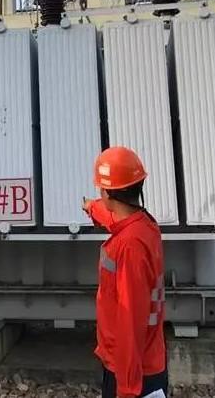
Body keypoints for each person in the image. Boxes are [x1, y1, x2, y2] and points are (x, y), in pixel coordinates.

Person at [83, 146, 167, 398]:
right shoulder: (144, 225)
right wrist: (91, 207)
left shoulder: (129, 246)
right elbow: (114, 218)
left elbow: (131, 321)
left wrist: (128, 389)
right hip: (144, 361)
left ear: (106, 192)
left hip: (132, 372)